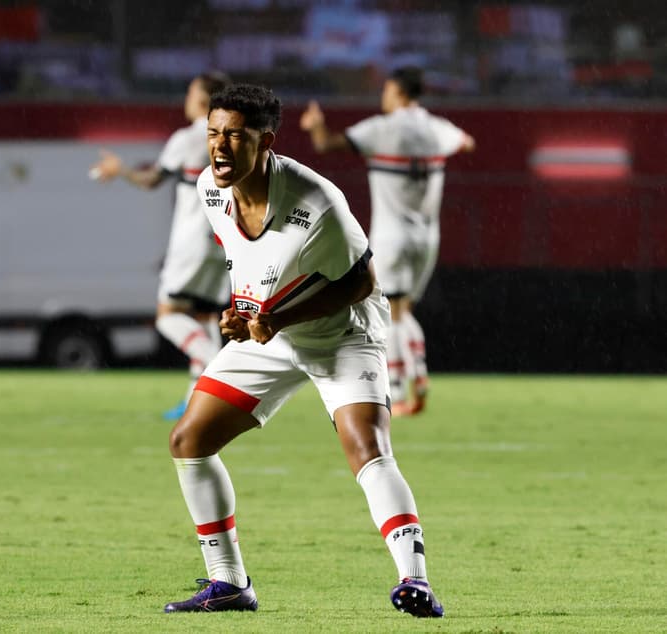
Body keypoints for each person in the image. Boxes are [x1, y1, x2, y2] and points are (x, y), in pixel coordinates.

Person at [163, 83, 444, 618]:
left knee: (366, 446)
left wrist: (277, 317)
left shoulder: (316, 201)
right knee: (189, 439)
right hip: (272, 334)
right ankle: (230, 583)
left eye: (235, 136)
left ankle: (416, 581)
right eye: (213, 133)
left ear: (265, 141)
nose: (219, 147)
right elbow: (250, 263)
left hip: (342, 333)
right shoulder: (209, 188)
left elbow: (360, 283)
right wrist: (243, 312)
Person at [300, 67, 475, 416]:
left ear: (396, 91)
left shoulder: (382, 129)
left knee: (387, 313)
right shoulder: (436, 129)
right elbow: (468, 142)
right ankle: (420, 373)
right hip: (427, 236)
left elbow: (325, 144)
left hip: (392, 235)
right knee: (404, 309)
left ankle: (395, 388)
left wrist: (314, 124)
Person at [90, 72, 231, 420]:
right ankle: (197, 402)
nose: (185, 97)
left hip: (192, 241)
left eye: (189, 90)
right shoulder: (235, 138)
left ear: (202, 99)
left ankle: (216, 371)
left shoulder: (189, 138)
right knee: (206, 317)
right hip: (223, 241)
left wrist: (121, 170)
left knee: (168, 317)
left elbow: (153, 179)